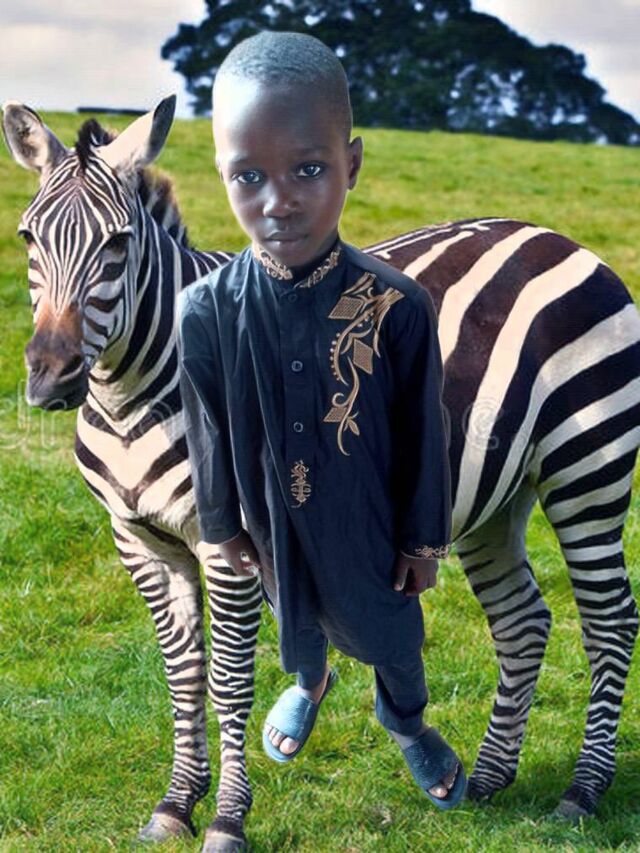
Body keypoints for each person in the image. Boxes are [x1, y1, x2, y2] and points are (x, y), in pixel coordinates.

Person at [176, 30, 465, 809]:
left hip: (368, 521)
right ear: (221, 173)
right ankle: (309, 681)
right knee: (293, 615)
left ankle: (405, 719)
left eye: (308, 169)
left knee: (392, 633)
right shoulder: (204, 311)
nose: (279, 201)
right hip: (272, 522)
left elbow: (424, 435)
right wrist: (222, 527)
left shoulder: (397, 305)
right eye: (249, 176)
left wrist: (422, 542)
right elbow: (207, 431)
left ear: (352, 163)